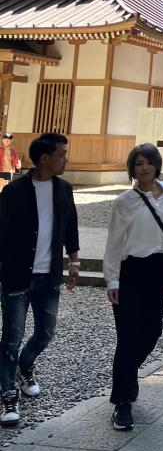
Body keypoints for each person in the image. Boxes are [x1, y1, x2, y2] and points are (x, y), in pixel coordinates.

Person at [103, 143, 163, 432]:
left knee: (152, 331)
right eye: (138, 163)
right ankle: (121, 403)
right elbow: (114, 241)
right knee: (127, 335)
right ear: (132, 168)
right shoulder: (124, 201)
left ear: (157, 164)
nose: (144, 168)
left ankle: (126, 376)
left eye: (149, 162)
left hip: (159, 268)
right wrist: (111, 279)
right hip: (131, 270)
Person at [0, 132, 79, 427]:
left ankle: (26, 366)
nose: (66, 159)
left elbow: (70, 226)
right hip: (17, 275)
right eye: (62, 154)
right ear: (44, 159)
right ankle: (8, 395)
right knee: (11, 337)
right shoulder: (14, 191)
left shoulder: (64, 189)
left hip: (49, 275)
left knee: (46, 332)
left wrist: (74, 261)